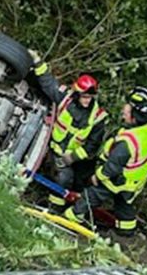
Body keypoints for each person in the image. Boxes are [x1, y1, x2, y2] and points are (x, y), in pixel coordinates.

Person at [64, 85, 147, 236]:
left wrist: (97, 177)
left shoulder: (127, 143)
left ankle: (72, 217)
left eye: (127, 110)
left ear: (135, 116)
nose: (123, 110)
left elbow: (112, 168)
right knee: (124, 204)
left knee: (92, 195)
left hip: (117, 179)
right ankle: (127, 231)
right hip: (135, 179)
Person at [29, 53, 108, 210]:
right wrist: (38, 63)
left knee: (64, 180)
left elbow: (92, 146)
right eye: (84, 97)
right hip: (48, 146)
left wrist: (70, 158)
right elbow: (48, 84)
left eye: (90, 97)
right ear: (77, 94)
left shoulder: (97, 118)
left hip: (67, 157)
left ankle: (53, 209)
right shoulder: (66, 98)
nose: (87, 100)